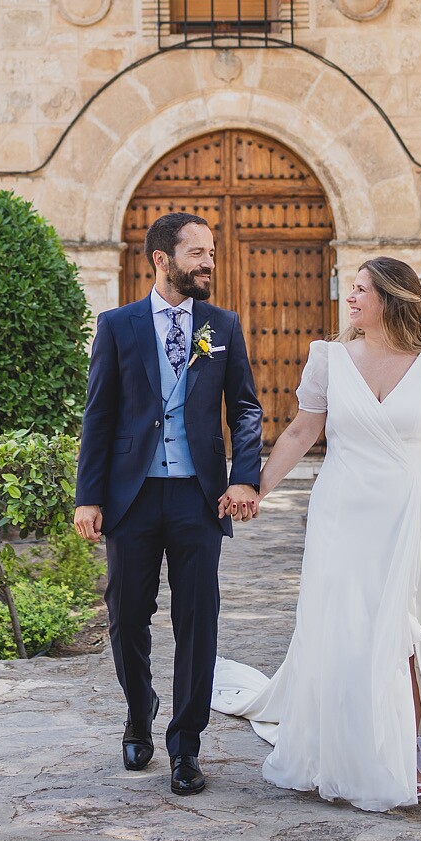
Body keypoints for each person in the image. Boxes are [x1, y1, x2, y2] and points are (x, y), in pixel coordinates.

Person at [212, 256, 421, 811]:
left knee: (405, 632)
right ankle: (344, 749)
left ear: (391, 299)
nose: (350, 298)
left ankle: (404, 752)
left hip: (412, 512)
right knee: (343, 626)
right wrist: (256, 488)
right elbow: (301, 432)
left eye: (362, 290)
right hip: (342, 512)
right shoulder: (330, 359)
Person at [73, 211, 265, 797]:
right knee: (127, 615)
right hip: (130, 497)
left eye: (212, 252)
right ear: (162, 259)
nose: (209, 262)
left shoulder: (222, 325)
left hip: (198, 498)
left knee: (197, 621)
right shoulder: (117, 325)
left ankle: (186, 746)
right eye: (197, 253)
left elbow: (246, 408)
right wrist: (89, 497)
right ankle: (139, 713)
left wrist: (244, 478)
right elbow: (99, 415)